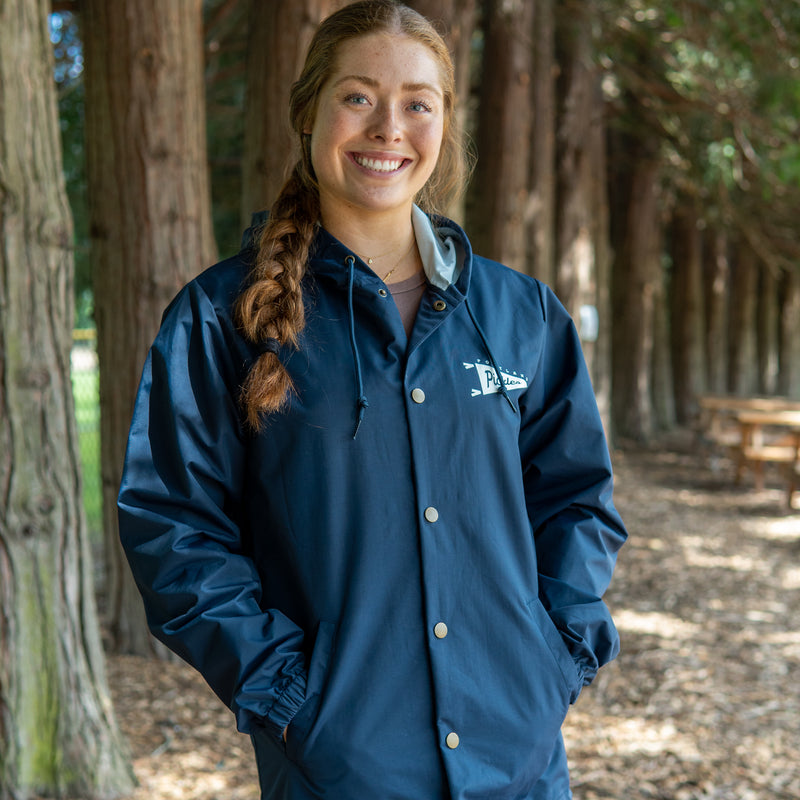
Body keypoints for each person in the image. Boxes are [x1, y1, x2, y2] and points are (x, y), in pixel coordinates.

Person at [117, 2, 628, 798]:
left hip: (518, 762)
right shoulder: (222, 318)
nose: (389, 127)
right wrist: (285, 694)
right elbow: (173, 526)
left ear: (444, 123)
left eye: (417, 103)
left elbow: (576, 501)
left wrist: (556, 651)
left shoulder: (520, 316)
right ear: (308, 112)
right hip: (337, 768)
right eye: (358, 97)